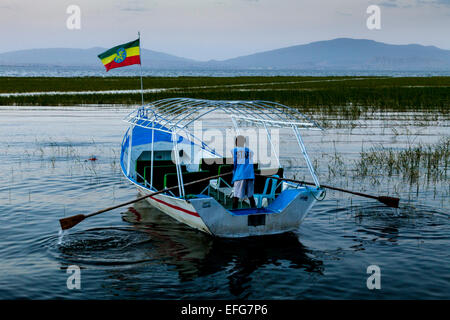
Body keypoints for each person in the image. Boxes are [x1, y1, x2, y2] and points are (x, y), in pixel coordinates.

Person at [231, 135, 256, 209]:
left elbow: (234, 163)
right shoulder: (250, 151)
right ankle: (254, 210)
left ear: (236, 142)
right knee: (250, 196)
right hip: (250, 175)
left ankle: (234, 212)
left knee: (236, 196)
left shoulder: (234, 150)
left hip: (240, 175)